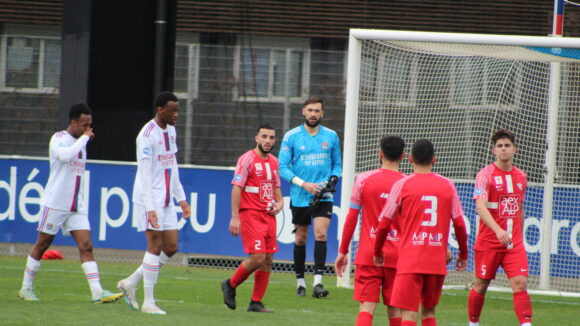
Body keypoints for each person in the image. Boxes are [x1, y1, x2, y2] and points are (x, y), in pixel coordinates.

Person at [19, 104, 123, 303]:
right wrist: (84, 138)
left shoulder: (81, 143)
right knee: (42, 245)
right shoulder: (59, 139)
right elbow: (65, 156)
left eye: (90, 125)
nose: (88, 129)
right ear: (73, 122)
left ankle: (97, 292)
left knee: (86, 245)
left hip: (76, 205)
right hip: (56, 203)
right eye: (84, 125)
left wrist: (83, 139)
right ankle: (26, 288)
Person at [373, 139, 469, 326]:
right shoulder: (448, 185)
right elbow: (459, 224)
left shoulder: (402, 185)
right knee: (429, 312)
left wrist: (377, 252)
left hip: (410, 260)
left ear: (409, 159)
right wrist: (463, 254)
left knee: (409, 314)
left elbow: (384, 224)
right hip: (436, 260)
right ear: (434, 159)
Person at [117, 91, 191, 315]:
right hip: (149, 198)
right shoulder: (146, 135)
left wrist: (182, 199)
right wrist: (150, 208)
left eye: (178, 110)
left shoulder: (172, 131)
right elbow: (146, 174)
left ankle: (131, 281)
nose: (176, 114)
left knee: (171, 247)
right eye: (172, 110)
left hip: (167, 198)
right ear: (160, 109)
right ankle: (149, 302)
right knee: (155, 246)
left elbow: (172, 166)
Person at [335, 135, 406, 326]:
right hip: (399, 256)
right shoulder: (408, 183)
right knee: (396, 307)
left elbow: (351, 217)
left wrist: (343, 251)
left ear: (380, 154)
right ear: (404, 156)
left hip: (369, 253)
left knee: (367, 306)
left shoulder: (364, 179)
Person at [279, 96, 342, 298]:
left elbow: (337, 164)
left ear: (322, 113)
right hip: (300, 195)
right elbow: (282, 167)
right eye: (310, 110)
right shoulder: (291, 136)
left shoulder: (331, 136)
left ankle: (318, 283)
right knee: (300, 237)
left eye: (317, 111)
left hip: (323, 195)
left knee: (321, 234)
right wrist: (303, 184)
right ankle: (300, 282)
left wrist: (333, 178)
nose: (313, 114)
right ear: (303, 112)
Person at [468, 129, 532, 326]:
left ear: (515, 149)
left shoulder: (521, 176)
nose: (504, 149)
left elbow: (519, 208)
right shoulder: (484, 175)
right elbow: (480, 206)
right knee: (480, 285)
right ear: (493, 150)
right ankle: (473, 323)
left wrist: (517, 236)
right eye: (500, 146)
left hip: (514, 244)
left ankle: (526, 324)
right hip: (489, 242)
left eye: (507, 145)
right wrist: (498, 230)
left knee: (520, 283)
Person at [221, 124, 284, 313]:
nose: (268, 141)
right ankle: (230, 284)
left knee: (268, 259)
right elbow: (237, 188)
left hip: (268, 215)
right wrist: (235, 217)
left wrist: (280, 203)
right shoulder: (247, 159)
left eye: (271, 138)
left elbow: (276, 187)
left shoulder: (274, 161)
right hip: (250, 214)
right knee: (257, 257)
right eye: (264, 136)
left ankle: (256, 302)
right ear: (256, 138)